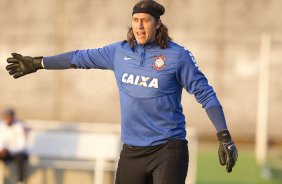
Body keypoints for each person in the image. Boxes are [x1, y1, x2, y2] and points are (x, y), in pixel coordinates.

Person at [5, 0, 238, 183]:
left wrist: (224, 136)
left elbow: (205, 93)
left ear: (157, 24)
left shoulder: (178, 56)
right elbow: (78, 58)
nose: (139, 26)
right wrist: (38, 63)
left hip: (168, 148)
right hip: (132, 151)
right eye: (135, 20)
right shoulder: (119, 52)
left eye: (145, 20)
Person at [0, 109, 27, 184]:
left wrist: (9, 150)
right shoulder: (1, 126)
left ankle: (20, 181)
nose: (8, 119)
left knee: (20, 158)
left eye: (10, 117)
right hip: (3, 152)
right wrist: (2, 149)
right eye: (7, 117)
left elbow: (21, 144)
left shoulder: (19, 126)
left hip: (16, 153)